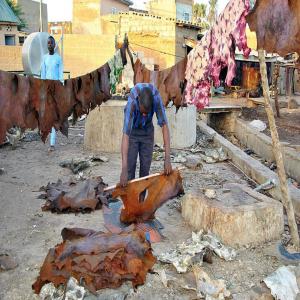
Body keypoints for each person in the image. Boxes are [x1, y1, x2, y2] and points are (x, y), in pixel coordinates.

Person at [120, 83, 172, 187]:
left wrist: (167, 158)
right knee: (129, 170)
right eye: (142, 111)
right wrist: (124, 169)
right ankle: (131, 200)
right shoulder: (132, 102)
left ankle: (142, 200)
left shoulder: (156, 98)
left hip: (147, 132)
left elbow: (165, 127)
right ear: (138, 101)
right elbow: (125, 135)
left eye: (147, 113)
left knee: (145, 171)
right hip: (133, 133)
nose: (144, 115)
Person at [40, 36, 63, 151]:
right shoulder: (44, 58)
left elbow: (61, 76)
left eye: (51, 43)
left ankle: (52, 143)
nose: (49, 45)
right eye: (48, 43)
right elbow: (42, 75)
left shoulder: (58, 59)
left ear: (54, 45)